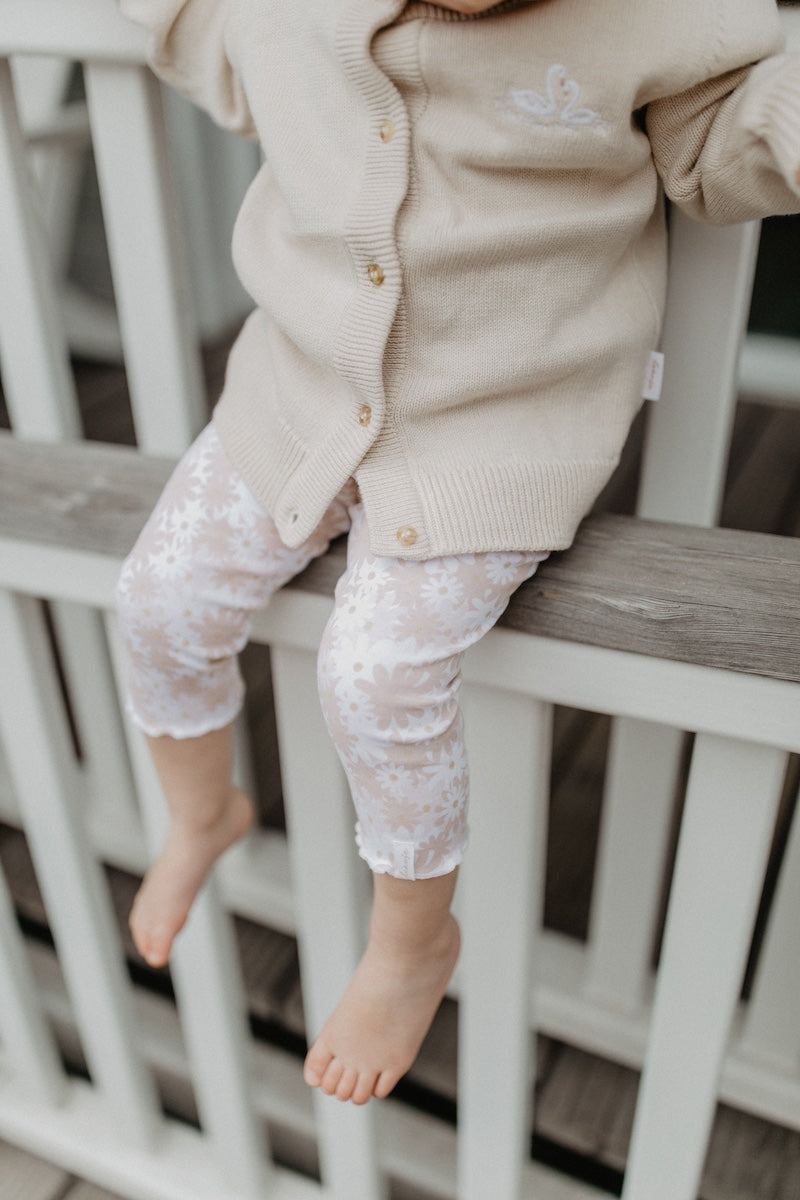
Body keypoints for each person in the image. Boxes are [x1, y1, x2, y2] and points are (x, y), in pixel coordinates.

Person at [115, 0, 800, 1106]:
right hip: (295, 393)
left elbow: (723, 136)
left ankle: (412, 940)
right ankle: (203, 810)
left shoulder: (647, 17)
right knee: (157, 598)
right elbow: (206, 31)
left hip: (499, 425)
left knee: (376, 672)